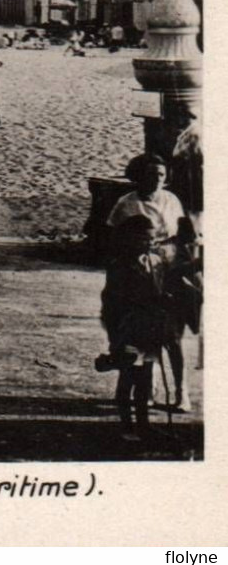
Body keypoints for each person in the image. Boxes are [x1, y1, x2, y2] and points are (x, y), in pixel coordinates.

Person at [102, 154, 194, 412]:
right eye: (151, 174)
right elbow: (112, 241)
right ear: (138, 175)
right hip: (139, 273)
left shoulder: (171, 200)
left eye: (161, 175)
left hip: (170, 272)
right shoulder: (125, 204)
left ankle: (181, 393)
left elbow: (183, 237)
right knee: (146, 335)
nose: (156, 180)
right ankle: (148, 389)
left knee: (173, 336)